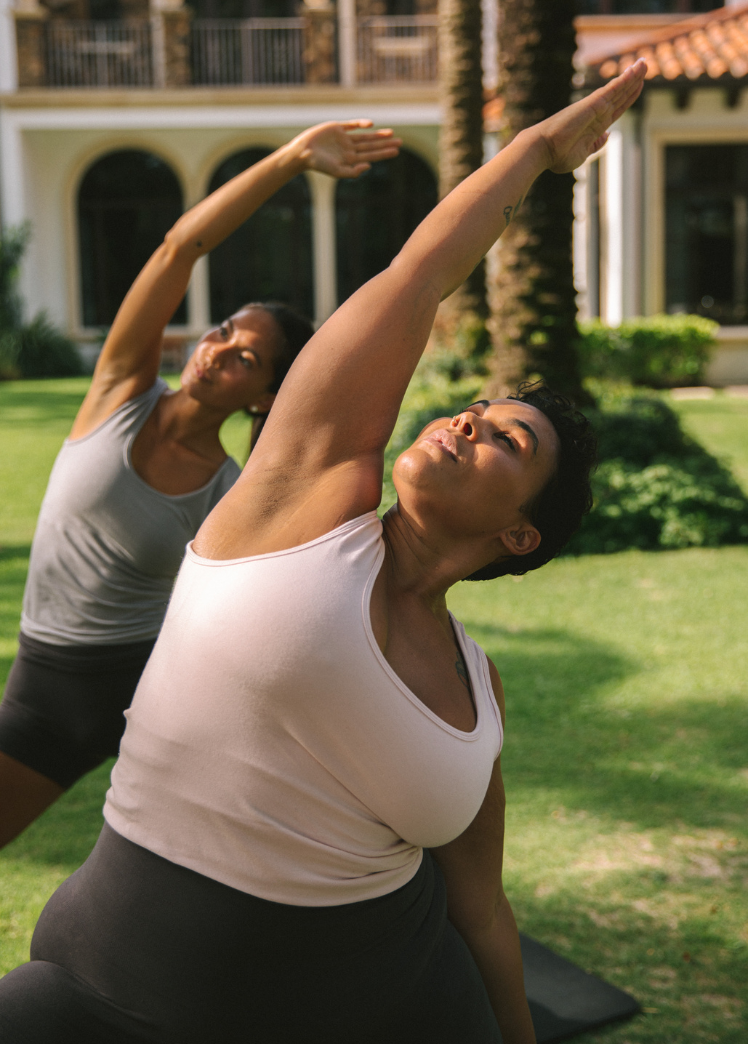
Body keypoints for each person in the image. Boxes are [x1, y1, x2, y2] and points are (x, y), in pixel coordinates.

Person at [0, 61, 646, 1044]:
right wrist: (533, 155)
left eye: (507, 441)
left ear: (519, 534)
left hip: (398, 997)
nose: (470, 422)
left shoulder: (480, 688)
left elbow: (478, 909)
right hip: (119, 991)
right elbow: (415, 280)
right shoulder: (297, 508)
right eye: (476, 408)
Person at [0, 120, 401, 848]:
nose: (218, 352)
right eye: (223, 331)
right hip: (48, 684)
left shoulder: (231, 493)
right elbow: (180, 248)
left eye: (247, 358)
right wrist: (290, 159)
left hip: (154, 686)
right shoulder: (119, 394)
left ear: (261, 398)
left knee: (240, 857)